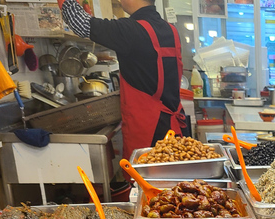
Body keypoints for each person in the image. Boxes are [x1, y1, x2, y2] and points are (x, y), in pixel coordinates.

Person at [59, 0, 189, 160]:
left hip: (148, 129)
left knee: (144, 182)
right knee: (171, 179)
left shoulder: (130, 30)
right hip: (173, 126)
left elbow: (80, 23)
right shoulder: (171, 30)